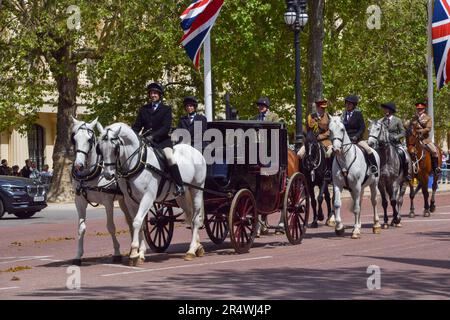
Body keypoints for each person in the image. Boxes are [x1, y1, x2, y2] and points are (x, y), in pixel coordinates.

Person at [132, 82, 184, 197]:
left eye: (155, 93)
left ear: (160, 95)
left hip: (162, 142)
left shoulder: (166, 109)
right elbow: (137, 126)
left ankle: (179, 185)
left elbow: (166, 127)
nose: (153, 95)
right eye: (151, 93)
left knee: (170, 157)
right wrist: (133, 135)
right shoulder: (143, 109)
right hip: (146, 142)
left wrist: (153, 136)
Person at [342, 95, 378, 175]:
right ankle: (329, 171)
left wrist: (356, 136)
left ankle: (373, 167)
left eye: (349, 104)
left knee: (368, 150)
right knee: (331, 151)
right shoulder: (343, 115)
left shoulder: (358, 114)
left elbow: (362, 127)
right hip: (345, 139)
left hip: (356, 139)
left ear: (354, 105)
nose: (347, 105)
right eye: (346, 103)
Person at [379, 102, 411, 180]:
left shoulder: (397, 120)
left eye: (386, 109)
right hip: (384, 144)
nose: (385, 110)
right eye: (384, 109)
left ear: (391, 110)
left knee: (404, 155)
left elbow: (403, 132)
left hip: (395, 143)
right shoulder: (381, 121)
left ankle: (406, 174)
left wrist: (396, 137)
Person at [411, 102, 441, 174]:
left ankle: (436, 168)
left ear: (424, 109)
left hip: (425, 139)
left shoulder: (428, 118)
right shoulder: (414, 118)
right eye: (418, 109)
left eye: (421, 109)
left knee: (434, 151)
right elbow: (410, 126)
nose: (419, 110)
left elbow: (428, 128)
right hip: (414, 139)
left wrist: (420, 131)